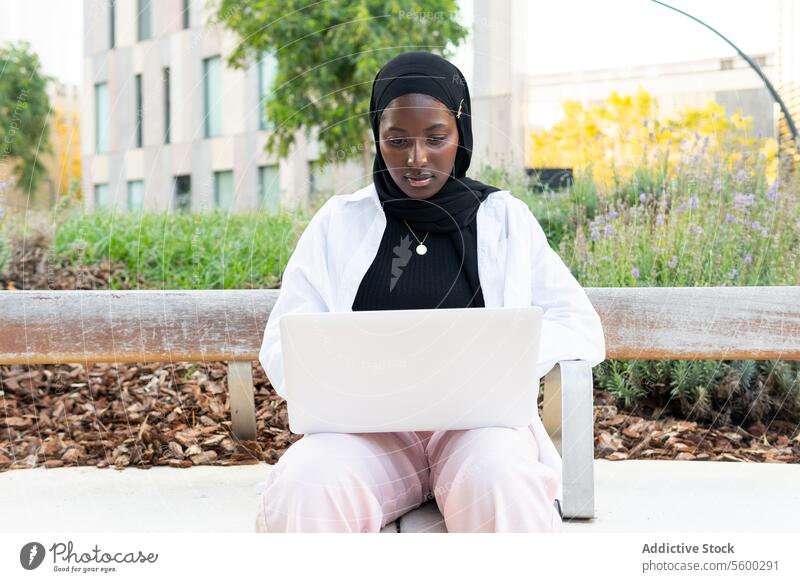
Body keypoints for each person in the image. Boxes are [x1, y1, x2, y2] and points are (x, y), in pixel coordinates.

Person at [255, 51, 606, 533]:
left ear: (460, 137)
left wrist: (500, 354)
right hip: (366, 436)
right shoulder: (338, 222)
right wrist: (336, 384)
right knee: (306, 485)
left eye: (435, 139)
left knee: (502, 479)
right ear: (378, 139)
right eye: (396, 141)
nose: (416, 158)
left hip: (476, 432)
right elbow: (283, 340)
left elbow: (579, 326)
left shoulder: (505, 220)